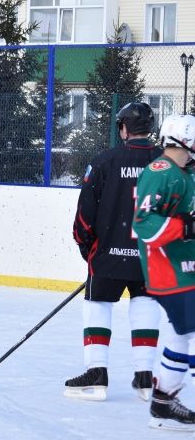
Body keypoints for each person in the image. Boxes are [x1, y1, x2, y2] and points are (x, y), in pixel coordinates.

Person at [65, 102, 162, 401]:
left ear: (123, 128)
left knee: (98, 305)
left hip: (108, 254)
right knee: (145, 304)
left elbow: (84, 215)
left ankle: (97, 374)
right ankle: (145, 379)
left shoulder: (105, 161)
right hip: (151, 258)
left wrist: (88, 248)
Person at [132, 113, 195, 430]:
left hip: (186, 269)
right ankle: (164, 397)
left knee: (181, 335)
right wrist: (186, 226)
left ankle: (163, 399)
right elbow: (144, 224)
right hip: (169, 273)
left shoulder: (185, 173)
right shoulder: (161, 171)